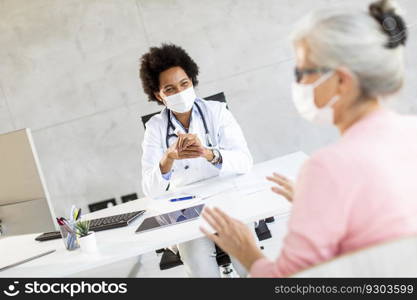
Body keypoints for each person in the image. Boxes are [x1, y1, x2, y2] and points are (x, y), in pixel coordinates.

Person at [200, 0, 417, 277]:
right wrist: (318, 205)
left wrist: (244, 248)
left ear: (341, 80)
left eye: (302, 72)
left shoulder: (329, 168)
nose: (298, 84)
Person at [139, 44, 253, 277]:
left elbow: (244, 161)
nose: (180, 92)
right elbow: (150, 189)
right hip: (186, 209)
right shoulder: (156, 128)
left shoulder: (218, 112)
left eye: (184, 84)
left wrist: (209, 153)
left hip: (227, 198)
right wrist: (168, 158)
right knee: (199, 267)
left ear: (192, 81)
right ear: (158, 95)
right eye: (169, 89)